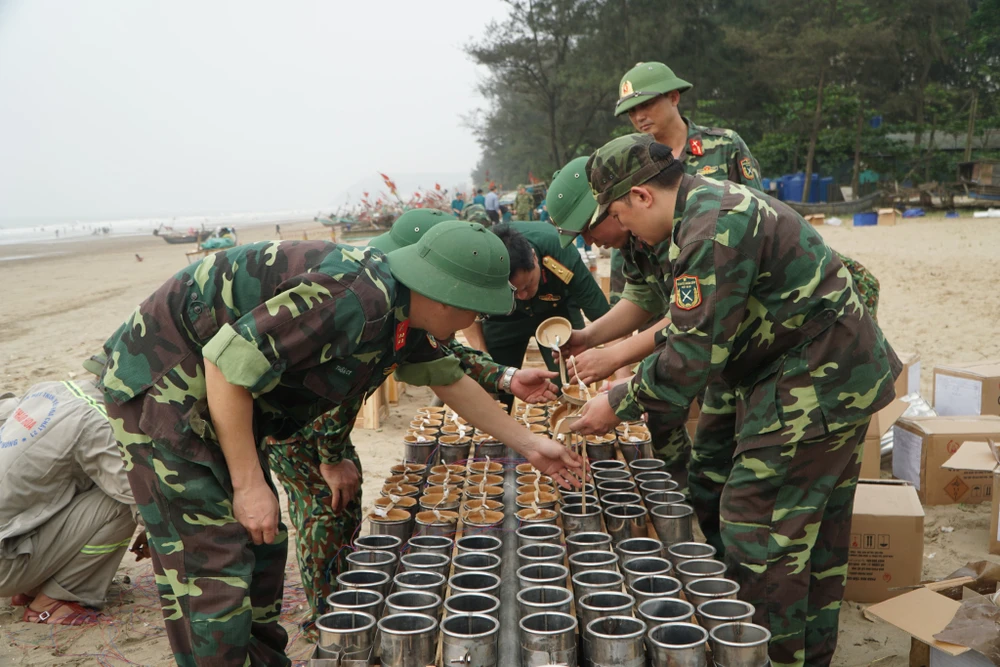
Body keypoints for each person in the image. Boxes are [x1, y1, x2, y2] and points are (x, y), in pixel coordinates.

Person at [99, 222, 582, 667]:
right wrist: (248, 484)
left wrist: (533, 446)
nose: (473, 320)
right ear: (444, 294)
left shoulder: (403, 308)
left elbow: (448, 379)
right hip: (165, 390)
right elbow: (227, 365)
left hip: (217, 399)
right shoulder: (350, 298)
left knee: (262, 546)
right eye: (474, 307)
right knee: (214, 567)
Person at [571, 134, 900, 667]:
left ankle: (767, 657)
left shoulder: (711, 226)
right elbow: (687, 324)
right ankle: (808, 656)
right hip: (835, 374)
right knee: (811, 538)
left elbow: (692, 356)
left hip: (814, 381)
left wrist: (617, 401)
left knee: (758, 531)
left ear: (642, 196)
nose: (621, 229)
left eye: (616, 213)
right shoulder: (702, 210)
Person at [266, 211, 560, 632]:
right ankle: (329, 621)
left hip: (319, 419)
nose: (470, 320)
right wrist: (329, 459)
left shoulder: (406, 303)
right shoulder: (365, 304)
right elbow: (335, 397)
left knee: (345, 505)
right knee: (324, 511)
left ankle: (343, 599)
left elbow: (439, 354)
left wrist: (506, 377)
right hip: (296, 427)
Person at [0, 356, 146, 626]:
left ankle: (31, 583)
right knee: (123, 501)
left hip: (9, 540)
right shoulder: (99, 423)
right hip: (4, 566)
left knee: (76, 476)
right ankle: (56, 599)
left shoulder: (50, 389)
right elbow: (144, 503)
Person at [463, 222, 610, 406]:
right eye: (514, 292)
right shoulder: (479, 265)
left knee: (570, 380)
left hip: (555, 311)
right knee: (496, 386)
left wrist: (620, 376)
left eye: (527, 285)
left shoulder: (558, 251)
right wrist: (483, 360)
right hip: (504, 318)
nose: (523, 296)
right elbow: (467, 313)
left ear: (534, 258)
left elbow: (607, 320)